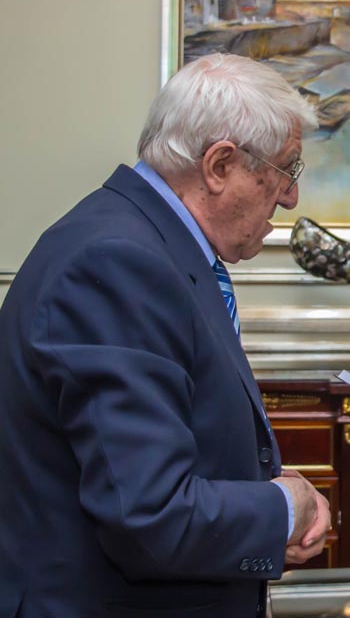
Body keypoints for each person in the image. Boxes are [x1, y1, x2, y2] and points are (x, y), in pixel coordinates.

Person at [0, 53, 331, 618]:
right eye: (286, 169)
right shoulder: (120, 263)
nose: (290, 196)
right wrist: (282, 508)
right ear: (219, 165)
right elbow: (148, 513)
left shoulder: (144, 243)